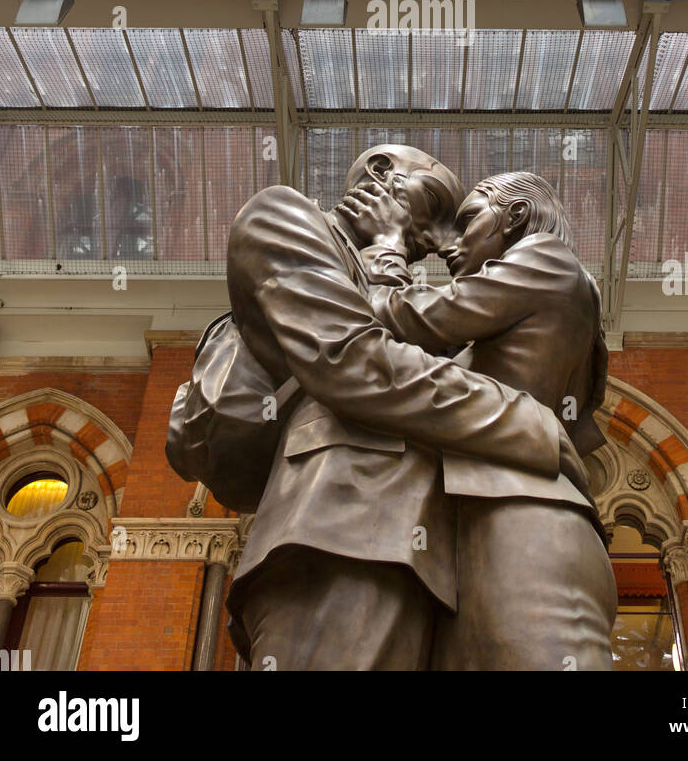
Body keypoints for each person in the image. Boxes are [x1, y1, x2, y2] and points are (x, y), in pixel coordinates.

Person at [226, 146, 580, 671]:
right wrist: (529, 422)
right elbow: (353, 360)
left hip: (423, 555)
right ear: (381, 174)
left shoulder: (537, 270)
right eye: (435, 204)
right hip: (336, 531)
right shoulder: (286, 216)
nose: (441, 242)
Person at [358, 169, 617, 671]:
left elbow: (401, 318)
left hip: (522, 514)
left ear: (515, 216)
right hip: (489, 521)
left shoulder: (544, 257)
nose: (449, 245)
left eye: (469, 220)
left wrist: (387, 245)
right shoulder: (523, 319)